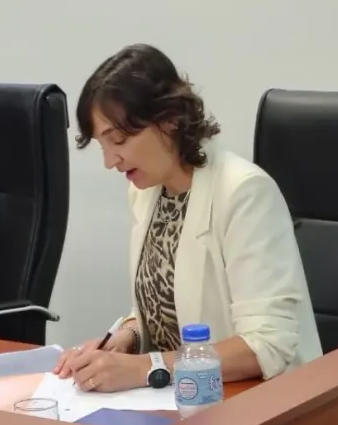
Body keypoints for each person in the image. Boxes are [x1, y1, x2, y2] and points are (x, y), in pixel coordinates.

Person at [55, 43, 321, 391]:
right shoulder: (146, 189)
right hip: (177, 400)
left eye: (118, 140)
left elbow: (266, 347)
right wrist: (128, 337)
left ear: (170, 120)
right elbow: (168, 304)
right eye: (103, 146)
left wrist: (143, 368)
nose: (110, 161)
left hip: (256, 405)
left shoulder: (244, 193)